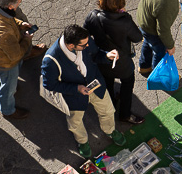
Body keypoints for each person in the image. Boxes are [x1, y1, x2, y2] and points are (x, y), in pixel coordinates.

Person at [41, 24, 125, 158]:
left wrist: (106, 55)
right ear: (71, 45)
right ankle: (82, 142)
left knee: (108, 111)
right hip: (74, 96)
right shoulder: (50, 61)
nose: (87, 46)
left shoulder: (85, 40)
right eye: (83, 45)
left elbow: (95, 54)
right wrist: (76, 88)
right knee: (75, 123)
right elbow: (49, 85)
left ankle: (110, 131)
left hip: (96, 85)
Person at [83, 0, 144, 124]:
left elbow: (84, 36)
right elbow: (137, 37)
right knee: (127, 85)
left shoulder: (93, 16)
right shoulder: (125, 20)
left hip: (102, 59)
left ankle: (111, 107)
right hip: (122, 62)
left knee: (107, 84)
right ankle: (125, 114)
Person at [0, 0, 45, 120]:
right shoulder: (4, 33)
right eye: (19, 3)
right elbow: (16, 55)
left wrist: (20, 23)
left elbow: (9, 19)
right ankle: (7, 110)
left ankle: (6, 91)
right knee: (8, 86)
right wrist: (27, 39)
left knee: (7, 81)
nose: (19, 5)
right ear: (10, 6)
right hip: (6, 63)